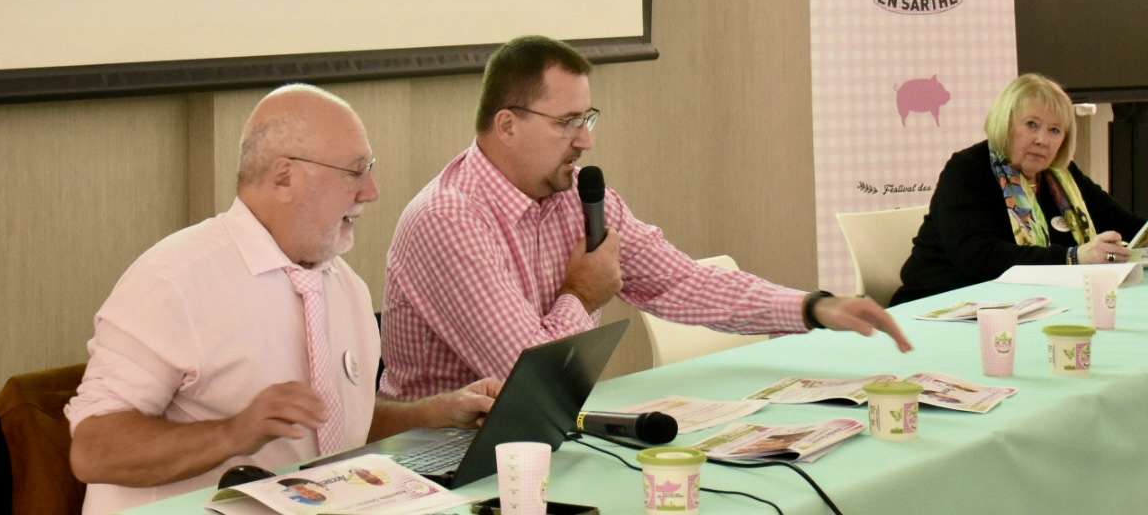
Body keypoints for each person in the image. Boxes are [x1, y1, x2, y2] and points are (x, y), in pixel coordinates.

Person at [378, 36, 912, 400]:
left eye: (588, 119)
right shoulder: (449, 219)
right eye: (567, 122)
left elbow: (680, 282)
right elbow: (526, 376)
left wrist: (813, 307)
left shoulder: (577, 196)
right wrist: (582, 295)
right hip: (444, 464)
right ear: (507, 125)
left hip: (541, 439)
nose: (585, 140)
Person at [67, 85, 499, 515]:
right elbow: (93, 450)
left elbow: (338, 431)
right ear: (284, 177)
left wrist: (436, 414)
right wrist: (233, 433)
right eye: (354, 171)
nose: (371, 190)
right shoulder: (173, 280)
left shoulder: (344, 286)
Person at [891, 73, 1148, 305]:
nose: (1042, 140)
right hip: (943, 305)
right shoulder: (967, 169)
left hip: (1029, 307)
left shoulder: (1061, 175)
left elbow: (1123, 225)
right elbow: (978, 257)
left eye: (1054, 130)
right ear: (1006, 123)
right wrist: (1073, 257)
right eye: (1031, 125)